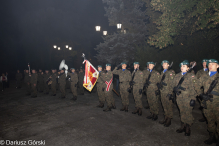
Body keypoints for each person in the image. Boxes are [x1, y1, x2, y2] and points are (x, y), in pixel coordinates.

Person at [170, 60, 199, 136]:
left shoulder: (191, 76)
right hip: (179, 97)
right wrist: (174, 89)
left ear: (188, 68)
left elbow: (195, 88)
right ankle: (183, 126)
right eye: (181, 66)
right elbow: (173, 84)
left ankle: (188, 128)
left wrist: (193, 98)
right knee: (182, 112)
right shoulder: (177, 75)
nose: (182, 68)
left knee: (188, 113)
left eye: (184, 66)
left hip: (188, 97)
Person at [197, 59, 219, 145]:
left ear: (217, 66)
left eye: (213, 64)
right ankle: (212, 136)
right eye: (209, 64)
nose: (210, 65)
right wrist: (200, 94)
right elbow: (196, 84)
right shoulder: (204, 76)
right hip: (206, 103)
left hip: (217, 104)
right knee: (210, 121)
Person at [157, 60, 175, 127]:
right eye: (163, 64)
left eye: (165, 64)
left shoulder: (171, 72)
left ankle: (169, 120)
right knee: (164, 106)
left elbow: (172, 84)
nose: (163, 65)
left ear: (168, 65)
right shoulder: (162, 72)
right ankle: (165, 118)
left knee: (169, 106)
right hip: (162, 92)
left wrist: (171, 93)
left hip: (168, 92)